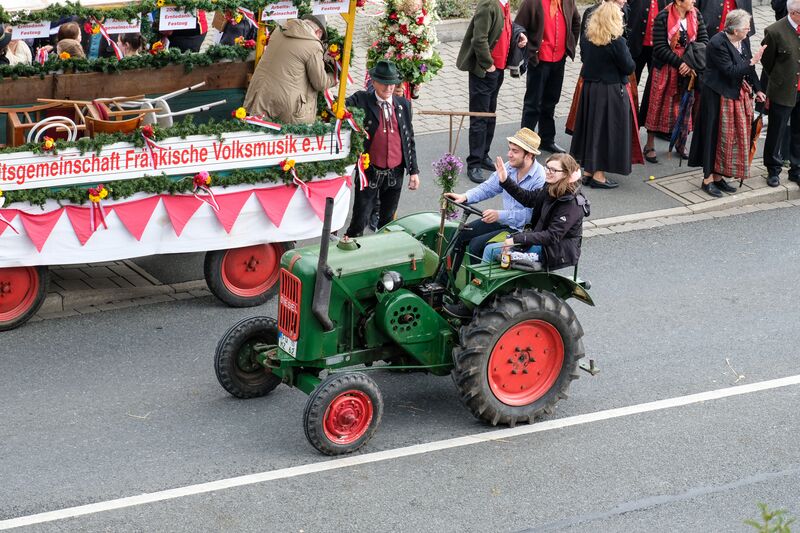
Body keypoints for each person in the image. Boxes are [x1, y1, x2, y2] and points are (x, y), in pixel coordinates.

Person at [442, 127, 546, 281]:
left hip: (522, 229)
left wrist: (499, 215)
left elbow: (530, 216)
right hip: (505, 221)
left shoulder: (540, 178)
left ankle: (475, 290)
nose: (509, 154)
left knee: (477, 245)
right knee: (460, 233)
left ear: (529, 155)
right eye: (509, 149)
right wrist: (465, 196)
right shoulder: (510, 167)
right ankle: (446, 282)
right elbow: (488, 187)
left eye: (515, 151)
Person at [688, 10, 765, 196]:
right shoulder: (717, 43)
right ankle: (707, 180)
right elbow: (730, 71)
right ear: (735, 30)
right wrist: (753, 61)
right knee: (713, 136)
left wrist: (758, 89)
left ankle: (718, 177)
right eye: (746, 28)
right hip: (716, 95)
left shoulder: (742, 39)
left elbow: (748, 69)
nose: (749, 31)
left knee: (728, 139)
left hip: (732, 94)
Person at [343, 60, 420, 237]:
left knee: (387, 222)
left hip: (396, 173)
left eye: (391, 83)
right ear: (374, 82)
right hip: (369, 173)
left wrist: (414, 171)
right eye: (384, 84)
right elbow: (340, 106)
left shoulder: (403, 104)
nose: (388, 88)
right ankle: (352, 254)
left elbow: (409, 139)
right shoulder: (362, 99)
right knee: (359, 220)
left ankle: (383, 255)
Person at [570, 1, 640, 189]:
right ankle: (598, 175)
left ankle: (588, 171)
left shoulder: (590, 37)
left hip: (591, 89)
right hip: (609, 90)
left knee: (591, 129)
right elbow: (629, 66)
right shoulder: (617, 41)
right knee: (604, 132)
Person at [457, 0, 527, 184]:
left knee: (490, 114)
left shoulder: (504, 4)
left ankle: (483, 154)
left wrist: (519, 36)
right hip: (485, 71)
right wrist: (488, 64)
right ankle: (474, 163)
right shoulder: (489, 5)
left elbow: (507, 28)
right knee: (480, 117)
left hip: (498, 70)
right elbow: (479, 39)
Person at [480, 153, 586, 272]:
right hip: (541, 242)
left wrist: (517, 239)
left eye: (554, 170)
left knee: (491, 250)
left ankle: (482, 287)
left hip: (551, 251)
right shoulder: (551, 186)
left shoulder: (571, 204)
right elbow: (529, 199)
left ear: (566, 174)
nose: (548, 172)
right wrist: (505, 181)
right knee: (487, 246)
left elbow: (552, 236)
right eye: (547, 167)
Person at [642, 0, 708, 163]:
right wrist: (680, 63)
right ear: (678, 1)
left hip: (690, 66)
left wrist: (691, 62)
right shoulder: (663, 17)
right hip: (666, 68)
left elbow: (704, 40)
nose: (694, 1)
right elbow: (660, 47)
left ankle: (681, 142)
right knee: (658, 105)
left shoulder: (696, 14)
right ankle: (649, 144)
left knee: (686, 106)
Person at [515, 0, 581, 155]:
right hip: (539, 61)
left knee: (551, 101)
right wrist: (529, 50)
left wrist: (569, 45)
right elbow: (518, 27)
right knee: (533, 104)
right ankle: (524, 143)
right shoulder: (532, 2)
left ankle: (547, 140)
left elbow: (576, 21)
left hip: (559, 59)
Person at [243, 15, 335, 125]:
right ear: (318, 32)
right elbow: (320, 83)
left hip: (260, 93)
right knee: (284, 139)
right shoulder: (313, 45)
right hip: (286, 105)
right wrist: (334, 77)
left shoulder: (279, 30)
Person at [761, 0, 800, 187]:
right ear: (794, 13)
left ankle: (796, 169)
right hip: (782, 90)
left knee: (798, 132)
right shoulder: (774, 31)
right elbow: (767, 63)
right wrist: (780, 80)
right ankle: (773, 169)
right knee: (776, 131)